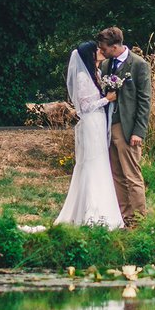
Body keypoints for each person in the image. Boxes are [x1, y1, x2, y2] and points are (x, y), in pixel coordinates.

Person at [54, 40, 124, 229]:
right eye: (96, 50)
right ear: (89, 55)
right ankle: (92, 213)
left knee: (101, 162)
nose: (101, 51)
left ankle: (103, 211)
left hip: (99, 122)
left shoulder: (97, 73)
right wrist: (106, 99)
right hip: (91, 122)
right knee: (92, 163)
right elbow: (84, 107)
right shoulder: (83, 78)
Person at [96, 26, 151, 226]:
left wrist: (139, 131)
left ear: (115, 46)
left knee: (132, 175)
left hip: (128, 129)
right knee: (117, 175)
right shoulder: (105, 65)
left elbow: (145, 100)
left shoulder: (138, 64)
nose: (101, 51)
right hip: (109, 126)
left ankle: (139, 221)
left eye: (104, 48)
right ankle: (125, 218)